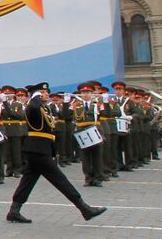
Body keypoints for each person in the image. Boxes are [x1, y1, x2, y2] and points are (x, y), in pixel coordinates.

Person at [7, 82, 108, 225]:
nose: (47, 94)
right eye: (44, 92)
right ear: (37, 94)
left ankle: (14, 211)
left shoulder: (43, 108)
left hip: (40, 149)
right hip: (38, 150)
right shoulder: (32, 107)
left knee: (27, 182)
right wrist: (35, 96)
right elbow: (33, 107)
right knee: (60, 180)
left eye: (47, 92)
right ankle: (84, 208)